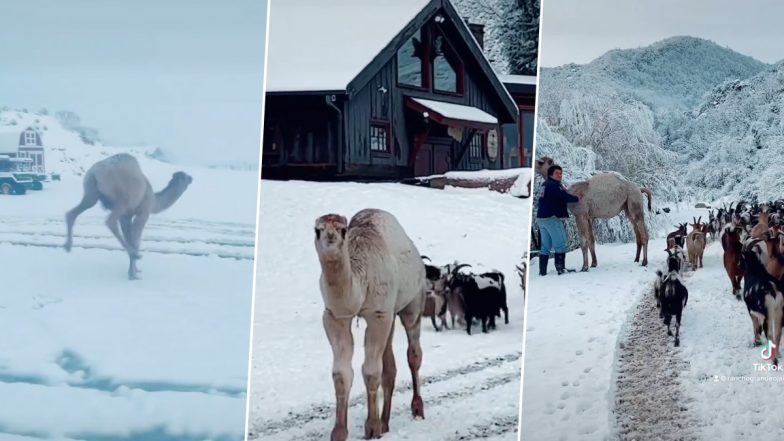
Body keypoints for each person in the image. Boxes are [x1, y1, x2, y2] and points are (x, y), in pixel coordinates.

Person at [536, 164, 582, 275]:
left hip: (541, 218)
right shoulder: (555, 185)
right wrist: (577, 198)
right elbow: (564, 196)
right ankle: (561, 269)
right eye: (557, 173)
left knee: (545, 246)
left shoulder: (545, 184)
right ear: (550, 174)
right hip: (552, 218)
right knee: (560, 244)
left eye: (561, 173)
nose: (560, 175)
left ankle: (542, 272)